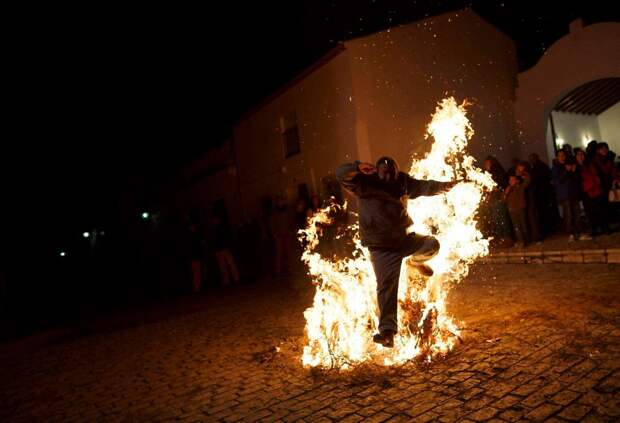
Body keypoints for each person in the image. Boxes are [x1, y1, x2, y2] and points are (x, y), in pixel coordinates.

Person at [336, 157, 456, 348]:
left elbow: (424, 186)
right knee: (387, 288)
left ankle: (414, 263)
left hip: (403, 239)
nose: (391, 177)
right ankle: (387, 332)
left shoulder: (402, 181)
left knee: (431, 244)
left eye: (393, 174)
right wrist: (356, 166)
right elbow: (341, 174)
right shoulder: (363, 183)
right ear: (377, 172)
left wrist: (444, 186)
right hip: (381, 247)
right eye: (386, 174)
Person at [552, 150, 590, 241]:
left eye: (563, 155)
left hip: (573, 193)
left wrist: (573, 171)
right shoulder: (556, 168)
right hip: (565, 195)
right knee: (569, 215)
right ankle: (571, 234)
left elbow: (577, 178)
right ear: (557, 157)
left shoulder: (571, 165)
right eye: (560, 156)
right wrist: (566, 171)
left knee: (577, 214)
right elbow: (557, 181)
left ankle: (580, 232)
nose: (562, 157)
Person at [515, 162, 540, 243]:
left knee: (532, 218)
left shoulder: (526, 175)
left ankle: (535, 237)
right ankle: (532, 237)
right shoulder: (522, 176)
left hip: (530, 199)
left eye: (520, 168)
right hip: (526, 200)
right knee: (529, 219)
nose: (518, 170)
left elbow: (526, 185)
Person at [212, 215, 240, 286]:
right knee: (222, 266)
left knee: (230, 263)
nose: (215, 221)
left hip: (224, 248)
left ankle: (236, 277)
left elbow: (226, 237)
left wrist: (228, 246)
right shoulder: (214, 229)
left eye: (216, 220)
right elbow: (214, 240)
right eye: (214, 220)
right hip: (219, 249)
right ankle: (226, 280)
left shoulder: (222, 228)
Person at [504, 174, 529, 247]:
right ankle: (521, 241)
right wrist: (507, 191)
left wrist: (522, 174)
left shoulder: (521, 187)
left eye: (512, 180)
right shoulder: (509, 189)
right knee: (516, 227)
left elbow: (527, 181)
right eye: (510, 180)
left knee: (523, 225)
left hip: (520, 209)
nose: (511, 181)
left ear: (517, 181)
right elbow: (503, 199)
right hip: (512, 210)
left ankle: (526, 240)